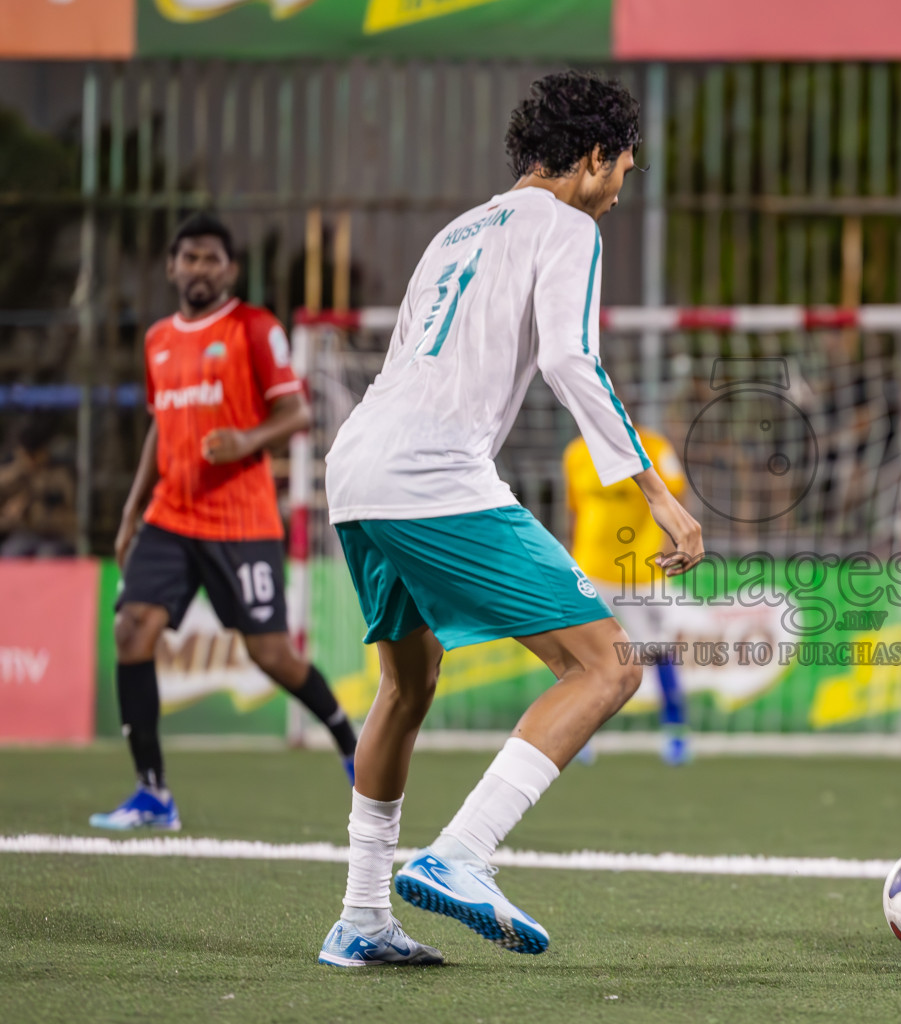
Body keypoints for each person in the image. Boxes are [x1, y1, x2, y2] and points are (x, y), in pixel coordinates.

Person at [316, 71, 703, 969]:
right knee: (609, 665)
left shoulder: (455, 229)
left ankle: (361, 918)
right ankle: (462, 854)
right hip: (431, 475)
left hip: (357, 468)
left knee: (407, 687)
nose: (620, 187)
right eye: (622, 168)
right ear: (593, 157)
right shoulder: (568, 225)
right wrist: (657, 490)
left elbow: (407, 356)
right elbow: (573, 357)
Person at [93, 213, 358, 831]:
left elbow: (294, 415)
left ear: (230, 269)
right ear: (171, 266)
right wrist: (133, 510)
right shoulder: (158, 338)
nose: (200, 268)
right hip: (170, 516)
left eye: (212, 258)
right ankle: (152, 793)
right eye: (189, 258)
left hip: (241, 522)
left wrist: (245, 442)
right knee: (132, 631)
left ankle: (348, 738)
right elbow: (162, 422)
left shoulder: (254, 328)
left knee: (270, 654)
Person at [564, 428, 692, 764]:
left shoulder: (654, 447)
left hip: (641, 573)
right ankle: (580, 734)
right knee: (584, 656)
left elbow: (678, 495)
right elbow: (575, 509)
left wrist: (671, 545)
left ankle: (675, 731)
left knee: (658, 651)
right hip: (589, 571)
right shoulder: (576, 453)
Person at [0, 418, 76, 557]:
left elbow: (71, 518)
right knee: (10, 553)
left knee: (47, 555)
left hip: (54, 538)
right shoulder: (15, 473)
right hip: (22, 536)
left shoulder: (59, 474)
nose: (31, 459)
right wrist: (20, 469)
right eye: (26, 454)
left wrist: (31, 502)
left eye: (34, 455)